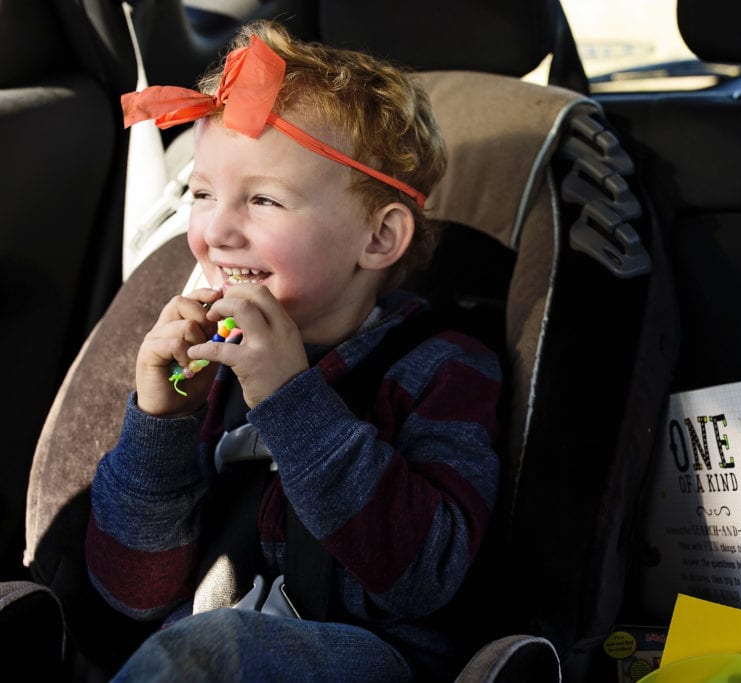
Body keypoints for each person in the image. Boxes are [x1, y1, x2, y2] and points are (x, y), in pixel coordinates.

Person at [85, 19, 502, 683]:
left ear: (377, 237)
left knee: (216, 649)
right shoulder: (208, 364)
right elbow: (129, 592)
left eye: (262, 200)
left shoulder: (442, 366)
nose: (215, 229)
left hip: (368, 657)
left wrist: (290, 401)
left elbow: (425, 576)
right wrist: (161, 426)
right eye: (200, 193)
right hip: (193, 649)